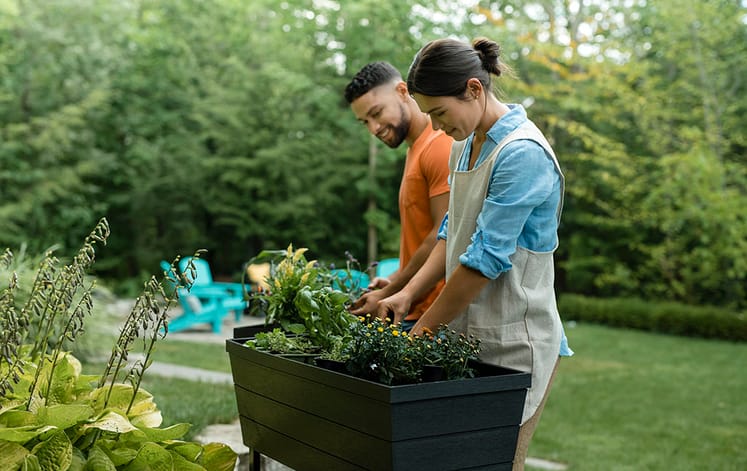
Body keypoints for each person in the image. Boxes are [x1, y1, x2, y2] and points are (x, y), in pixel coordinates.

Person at [373, 38, 573, 470]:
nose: (437, 126)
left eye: (440, 113)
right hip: (469, 337)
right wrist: (407, 295)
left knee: (496, 465)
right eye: (429, 116)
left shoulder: (522, 154)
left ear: (474, 89)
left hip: (517, 342)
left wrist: (420, 333)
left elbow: (484, 261)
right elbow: (453, 229)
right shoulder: (466, 144)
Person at [343, 61, 452, 331]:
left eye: (377, 113)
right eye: (364, 122)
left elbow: (443, 233)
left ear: (403, 91)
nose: (373, 129)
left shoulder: (439, 145)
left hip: (433, 315)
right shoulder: (415, 148)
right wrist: (392, 282)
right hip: (411, 306)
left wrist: (390, 291)